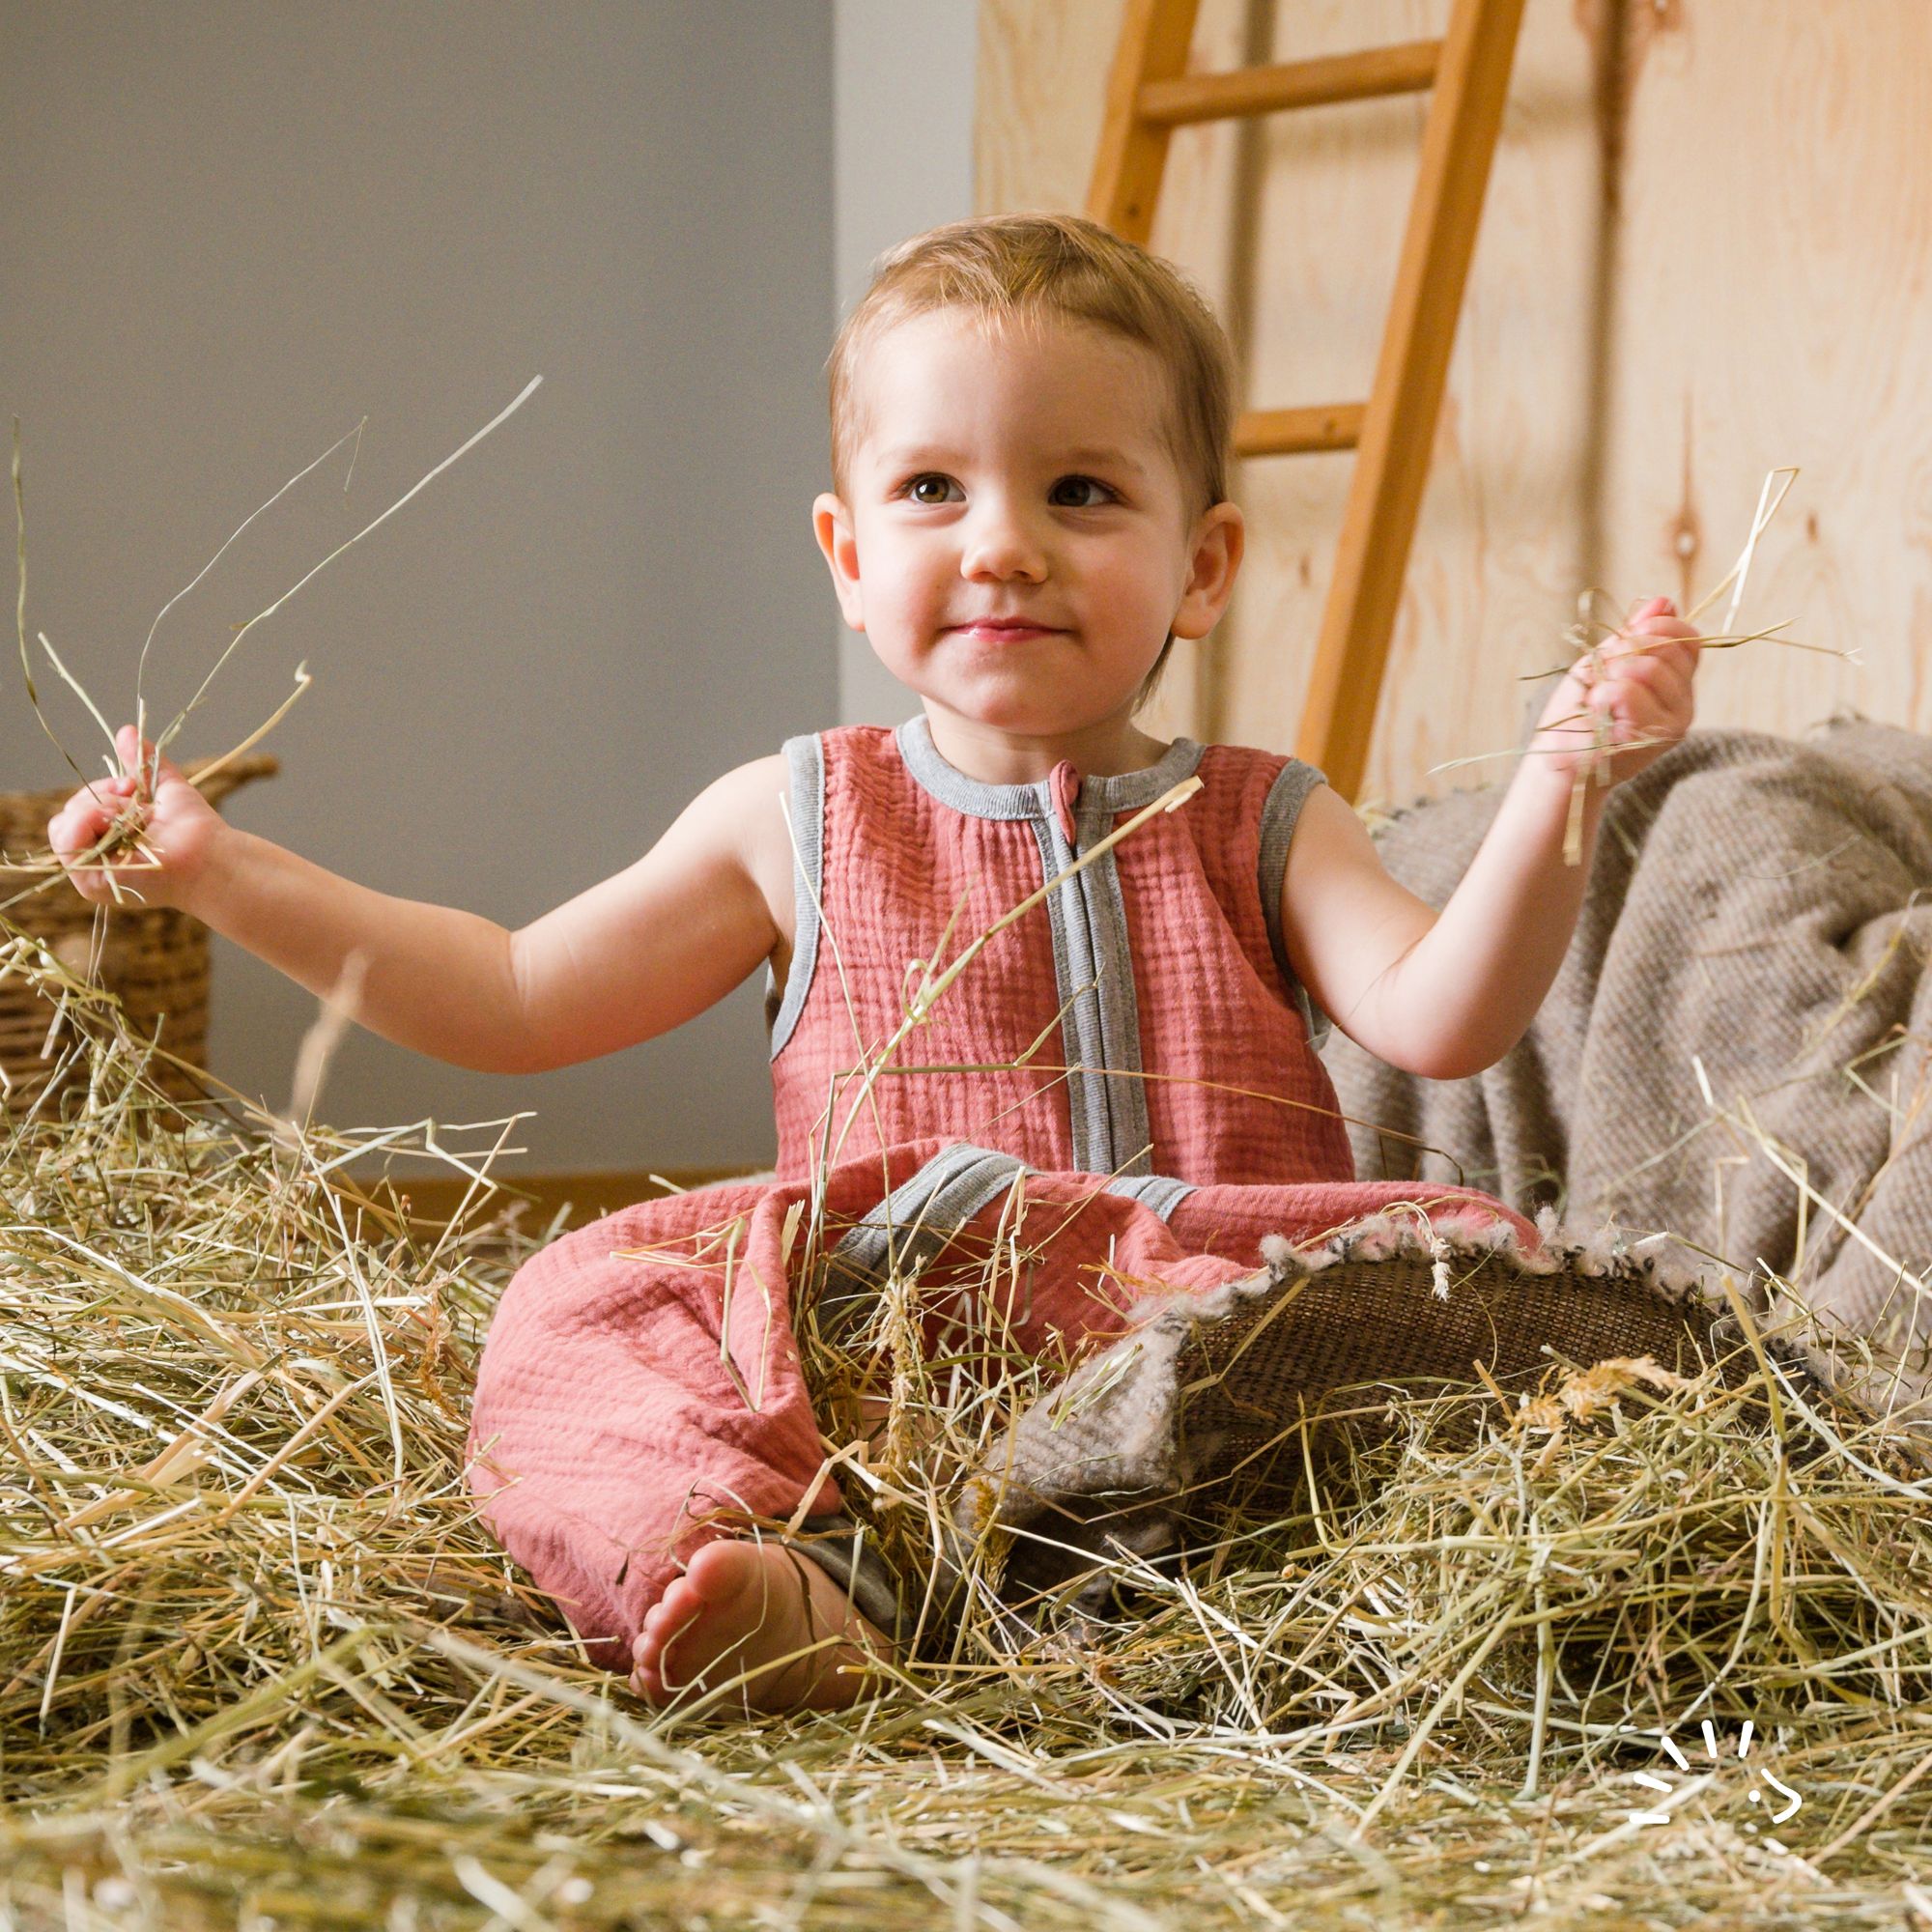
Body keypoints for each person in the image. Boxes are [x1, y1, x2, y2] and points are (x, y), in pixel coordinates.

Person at [49, 213, 1700, 1716]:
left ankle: (1239, 1586)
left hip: (1225, 1317)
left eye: (1081, 491)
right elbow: (512, 994)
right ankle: (807, 1587)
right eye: (933, 490)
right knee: (572, 1316)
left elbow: (1448, 1014)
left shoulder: (1262, 817)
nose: (1002, 545)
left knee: (1482, 1260)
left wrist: (1564, 781)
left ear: (1201, 566)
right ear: (847, 556)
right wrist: (221, 871)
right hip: (890, 1357)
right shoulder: (798, 816)